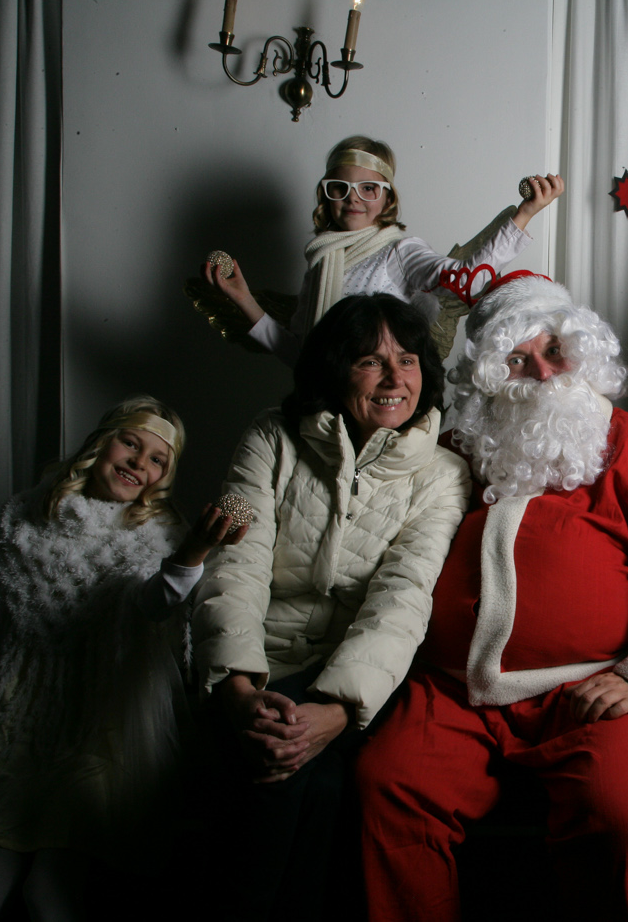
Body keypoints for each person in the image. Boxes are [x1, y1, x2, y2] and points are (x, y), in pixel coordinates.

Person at [354, 274, 628, 922]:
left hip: (585, 691)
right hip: (453, 692)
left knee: (620, 818)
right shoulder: (456, 447)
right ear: (489, 377)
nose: (540, 372)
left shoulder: (627, 441)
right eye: (517, 359)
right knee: (388, 785)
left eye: (555, 351)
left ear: (581, 353)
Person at [192, 294, 471, 921]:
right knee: (294, 776)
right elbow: (236, 567)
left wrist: (339, 711)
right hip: (260, 664)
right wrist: (238, 691)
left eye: (407, 360)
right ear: (334, 369)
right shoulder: (272, 435)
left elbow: (402, 599)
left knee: (299, 779)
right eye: (371, 361)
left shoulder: (444, 473)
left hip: (363, 676)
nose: (394, 378)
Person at [0, 396, 242, 922]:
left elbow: (153, 605)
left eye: (157, 459)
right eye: (130, 443)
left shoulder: (156, 534)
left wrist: (191, 553)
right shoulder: (24, 516)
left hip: (96, 725)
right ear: (101, 444)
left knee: (49, 890)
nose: (138, 462)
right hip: (17, 720)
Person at [203, 134, 564, 366]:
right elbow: (302, 355)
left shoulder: (400, 252)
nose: (353, 199)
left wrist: (524, 214)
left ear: (387, 197)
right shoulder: (322, 261)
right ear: (325, 195)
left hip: (386, 410)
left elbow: (466, 281)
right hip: (323, 409)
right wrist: (243, 299)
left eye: (368, 188)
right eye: (340, 188)